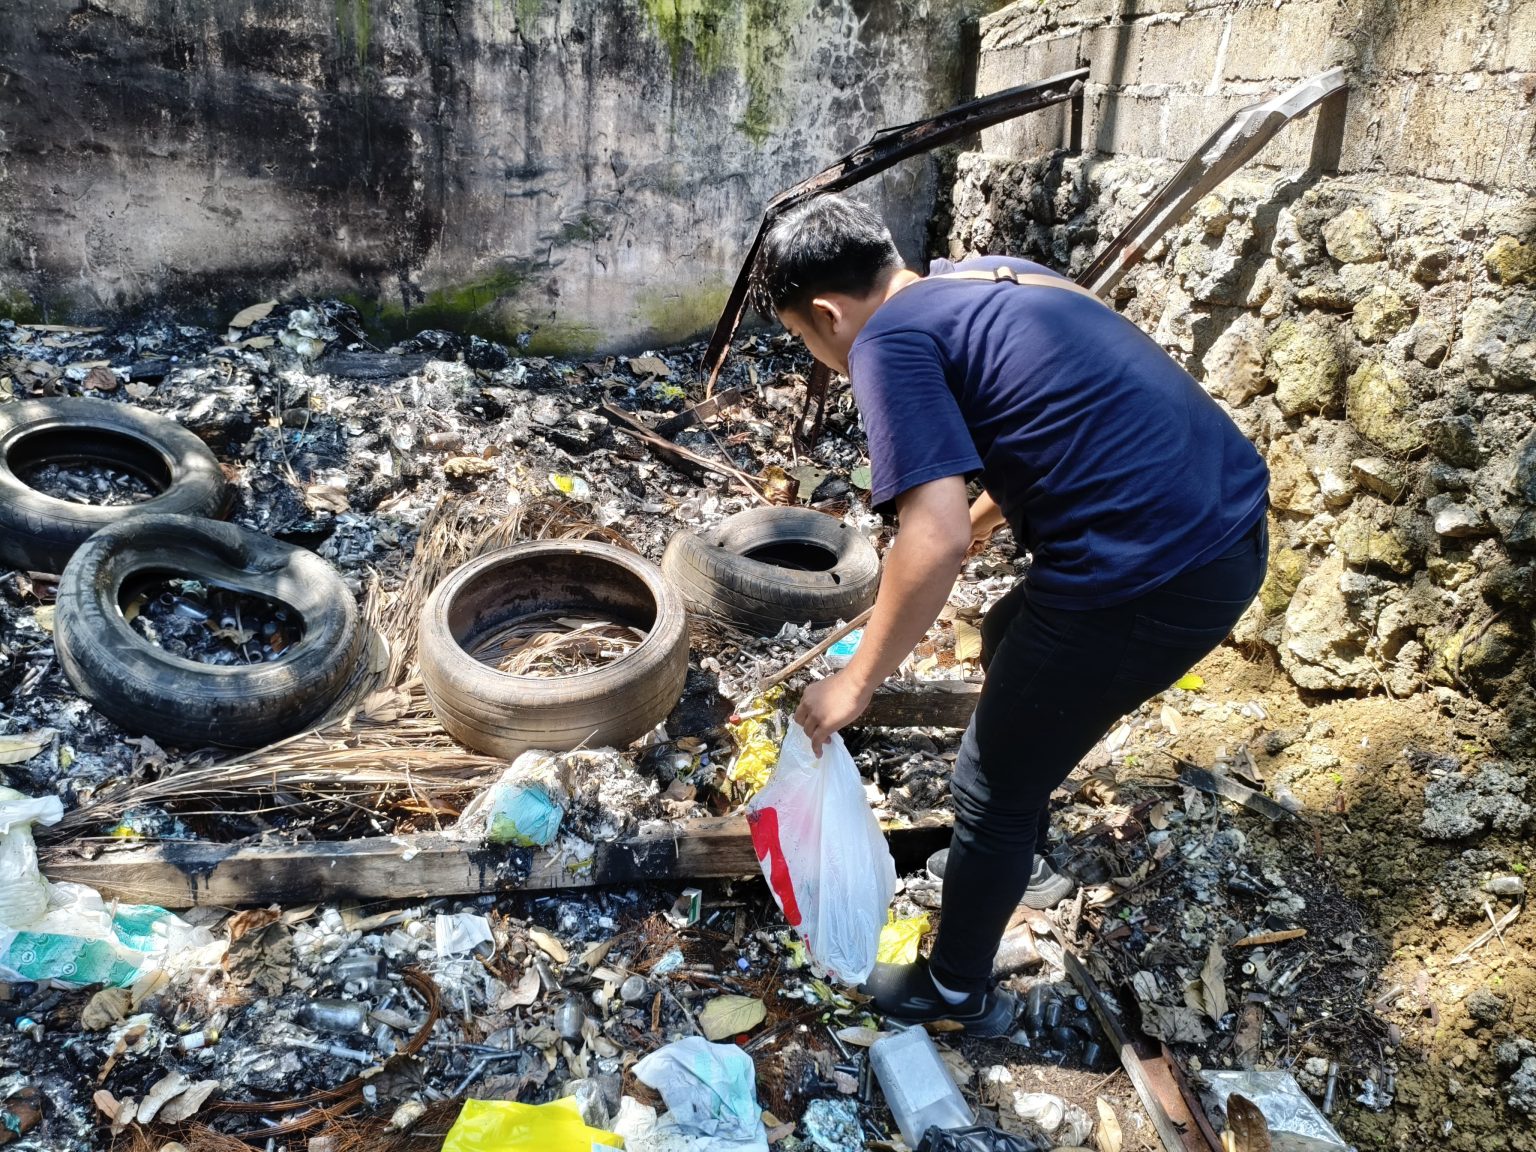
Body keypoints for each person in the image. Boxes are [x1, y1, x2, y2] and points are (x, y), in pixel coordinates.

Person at [750, 194, 1270, 1035]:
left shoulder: (885, 341)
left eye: (806, 343)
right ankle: (1016, 844)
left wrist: (856, 681)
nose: (822, 356)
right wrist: (995, 520)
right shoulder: (990, 278)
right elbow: (1047, 422)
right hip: (1225, 519)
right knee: (1003, 636)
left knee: (984, 784)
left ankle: (956, 988)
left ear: (824, 314)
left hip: (1155, 571)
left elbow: (933, 536)